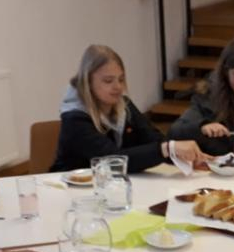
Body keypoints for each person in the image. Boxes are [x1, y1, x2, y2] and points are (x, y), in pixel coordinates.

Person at [51, 45, 210, 172]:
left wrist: (185, 157)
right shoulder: (75, 119)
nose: (118, 87)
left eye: (121, 79)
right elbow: (113, 160)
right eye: (108, 81)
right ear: (88, 83)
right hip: (69, 190)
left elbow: (154, 139)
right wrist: (168, 149)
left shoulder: (124, 105)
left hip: (111, 186)